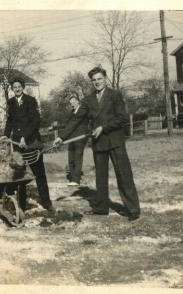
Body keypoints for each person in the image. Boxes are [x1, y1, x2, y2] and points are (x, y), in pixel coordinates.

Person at [66, 67, 140, 221]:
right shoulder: (88, 99)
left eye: (99, 79)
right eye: (94, 80)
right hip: (98, 143)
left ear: (105, 79)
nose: (97, 82)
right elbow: (76, 119)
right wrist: (61, 137)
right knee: (100, 177)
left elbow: (122, 118)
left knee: (124, 175)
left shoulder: (115, 95)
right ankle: (101, 208)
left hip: (115, 141)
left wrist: (103, 127)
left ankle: (133, 210)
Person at [0, 77, 54, 213]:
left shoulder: (30, 100)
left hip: (31, 142)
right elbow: (10, 121)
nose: (17, 89)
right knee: (20, 175)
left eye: (19, 86)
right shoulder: (11, 102)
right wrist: (6, 134)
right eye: (14, 87)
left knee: (39, 173)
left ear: (23, 87)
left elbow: (35, 121)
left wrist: (25, 137)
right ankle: (21, 205)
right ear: (12, 89)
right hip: (18, 144)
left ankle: (47, 203)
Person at [57, 92, 90, 186]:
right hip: (71, 137)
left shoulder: (83, 110)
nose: (72, 103)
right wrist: (55, 127)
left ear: (78, 101)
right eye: (71, 102)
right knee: (71, 157)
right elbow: (68, 124)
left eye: (74, 101)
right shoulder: (72, 112)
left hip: (80, 137)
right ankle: (72, 178)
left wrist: (61, 137)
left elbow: (75, 123)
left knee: (77, 157)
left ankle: (76, 180)